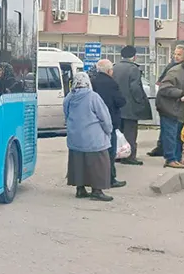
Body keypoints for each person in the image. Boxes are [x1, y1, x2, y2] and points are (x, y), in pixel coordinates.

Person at [64, 72, 115, 202]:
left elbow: (66, 114)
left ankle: (80, 189)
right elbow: (104, 117)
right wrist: (108, 131)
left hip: (75, 138)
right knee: (99, 164)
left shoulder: (69, 97)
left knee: (78, 164)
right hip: (94, 138)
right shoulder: (93, 97)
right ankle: (97, 191)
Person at [147, 44, 184, 157]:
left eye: (179, 54)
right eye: (175, 54)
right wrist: (180, 94)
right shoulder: (174, 68)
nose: (176, 56)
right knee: (171, 132)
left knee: (174, 132)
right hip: (171, 105)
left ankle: (172, 154)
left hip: (178, 105)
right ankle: (170, 155)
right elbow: (163, 84)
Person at [112, 46, 151, 165]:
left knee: (119, 131)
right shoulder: (133, 69)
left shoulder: (114, 67)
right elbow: (135, 88)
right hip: (130, 107)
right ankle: (129, 156)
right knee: (130, 132)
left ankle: (118, 154)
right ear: (134, 56)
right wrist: (140, 100)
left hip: (117, 106)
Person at [91, 59, 127, 188]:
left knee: (98, 153)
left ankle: (96, 178)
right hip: (109, 120)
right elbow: (120, 101)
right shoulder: (111, 83)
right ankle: (110, 178)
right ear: (109, 71)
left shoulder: (92, 81)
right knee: (110, 152)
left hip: (94, 122)